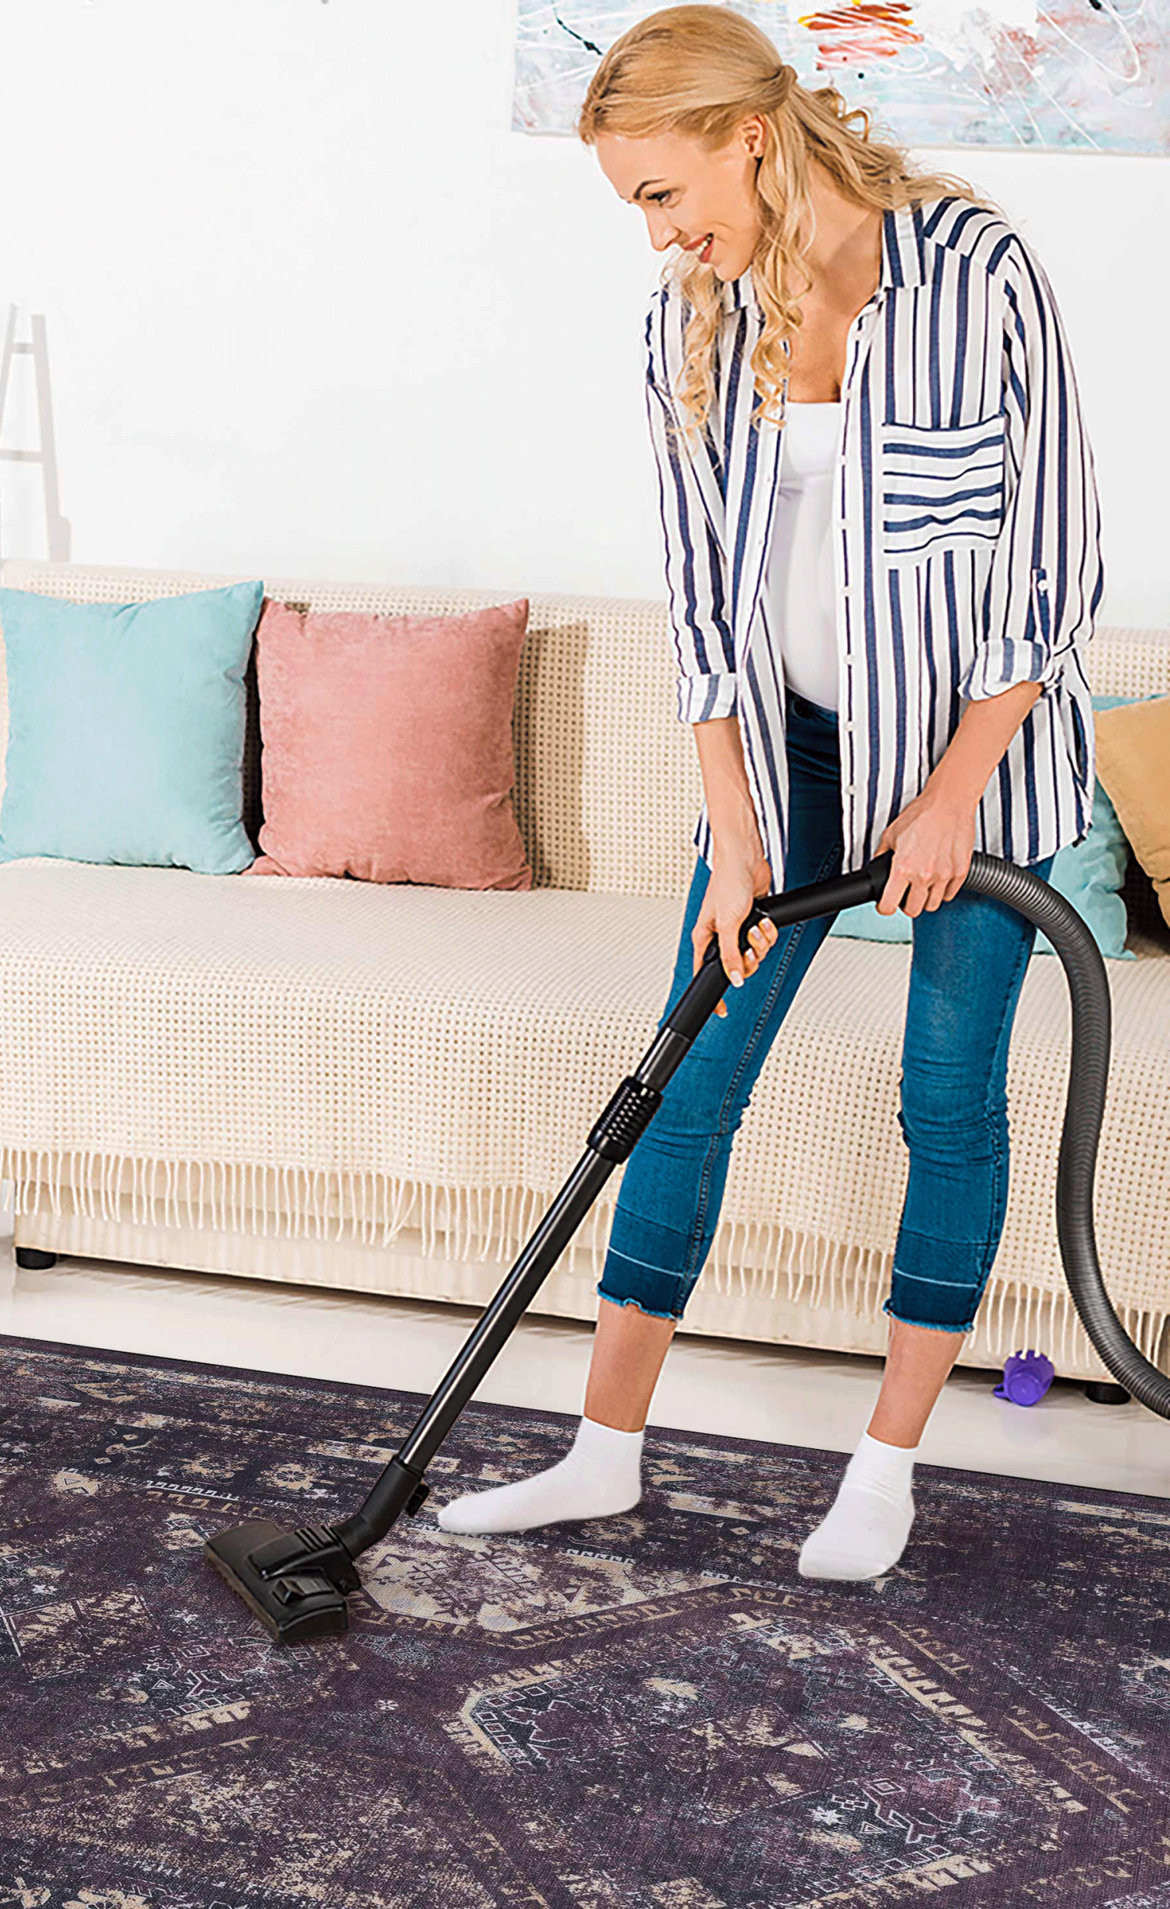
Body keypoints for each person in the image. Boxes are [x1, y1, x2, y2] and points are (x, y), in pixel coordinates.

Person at [438, 6, 1102, 1580]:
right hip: (789, 752)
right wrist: (735, 830)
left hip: (978, 759)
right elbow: (698, 603)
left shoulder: (973, 274)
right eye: (636, 212)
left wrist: (949, 792)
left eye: (664, 196)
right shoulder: (693, 320)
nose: (659, 234)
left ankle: (882, 1470)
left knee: (946, 1099)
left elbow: (1051, 560)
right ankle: (600, 1452)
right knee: (688, 1075)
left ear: (747, 135)